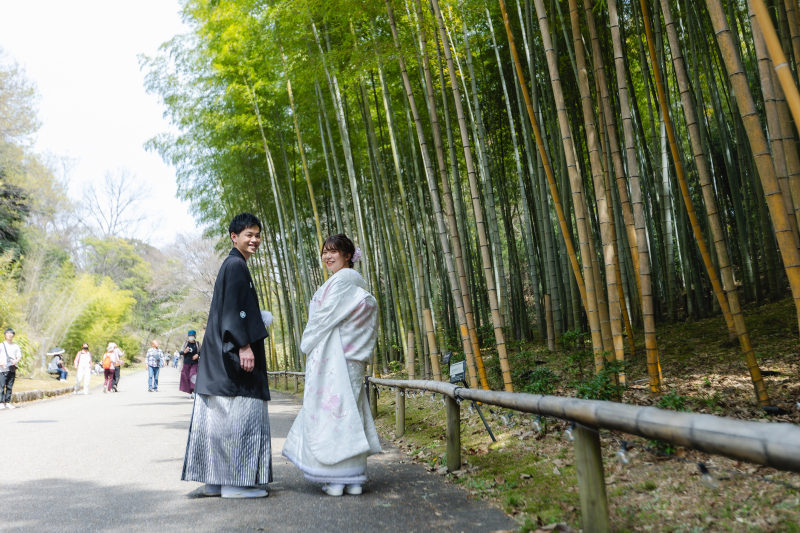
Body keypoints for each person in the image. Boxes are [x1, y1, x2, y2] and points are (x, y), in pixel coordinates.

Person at [182, 213, 273, 499]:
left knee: (218, 420)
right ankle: (235, 485)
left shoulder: (232, 264)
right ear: (234, 237)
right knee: (239, 415)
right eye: (249, 234)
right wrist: (244, 345)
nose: (254, 240)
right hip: (231, 356)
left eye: (257, 235)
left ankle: (215, 482)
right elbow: (234, 310)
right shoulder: (235, 265)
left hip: (217, 359)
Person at [282, 234, 381, 497]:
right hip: (348, 357)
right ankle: (354, 478)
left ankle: (337, 479)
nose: (327, 256)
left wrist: (306, 341)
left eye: (333, 251)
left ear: (348, 255)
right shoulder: (351, 281)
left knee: (333, 412)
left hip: (336, 356)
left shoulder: (343, 280)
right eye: (324, 252)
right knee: (350, 411)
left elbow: (324, 316)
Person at [0, 328, 22, 410]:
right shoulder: (1, 345)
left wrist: (16, 361)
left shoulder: (16, 346)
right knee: (1, 387)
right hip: (2, 369)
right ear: (5, 335)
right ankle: (1, 402)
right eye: (7, 333)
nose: (9, 335)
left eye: (11, 333)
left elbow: (19, 356)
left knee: (9, 386)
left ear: (13, 335)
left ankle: (7, 402)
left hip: (11, 369)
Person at [179, 331, 201, 399]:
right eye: (190, 335)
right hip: (186, 363)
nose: (191, 336)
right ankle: (190, 393)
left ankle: (194, 391)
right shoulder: (185, 343)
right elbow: (181, 352)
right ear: (188, 336)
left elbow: (202, 352)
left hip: (194, 363)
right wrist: (185, 352)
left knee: (193, 376)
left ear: (195, 336)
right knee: (187, 378)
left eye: (192, 335)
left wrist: (197, 355)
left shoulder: (197, 344)